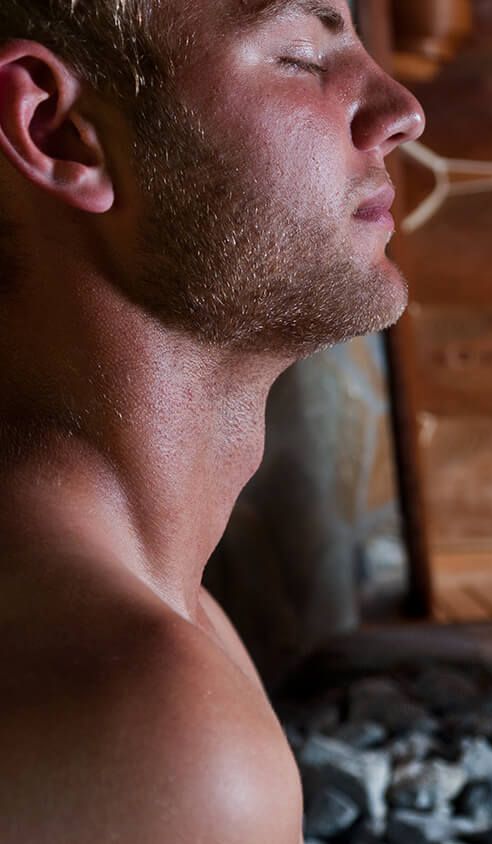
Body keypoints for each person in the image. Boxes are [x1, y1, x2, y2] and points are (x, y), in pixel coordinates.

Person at [0, 2, 424, 841]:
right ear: (60, 131)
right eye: (302, 51)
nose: (401, 111)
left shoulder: (167, 612)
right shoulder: (149, 724)